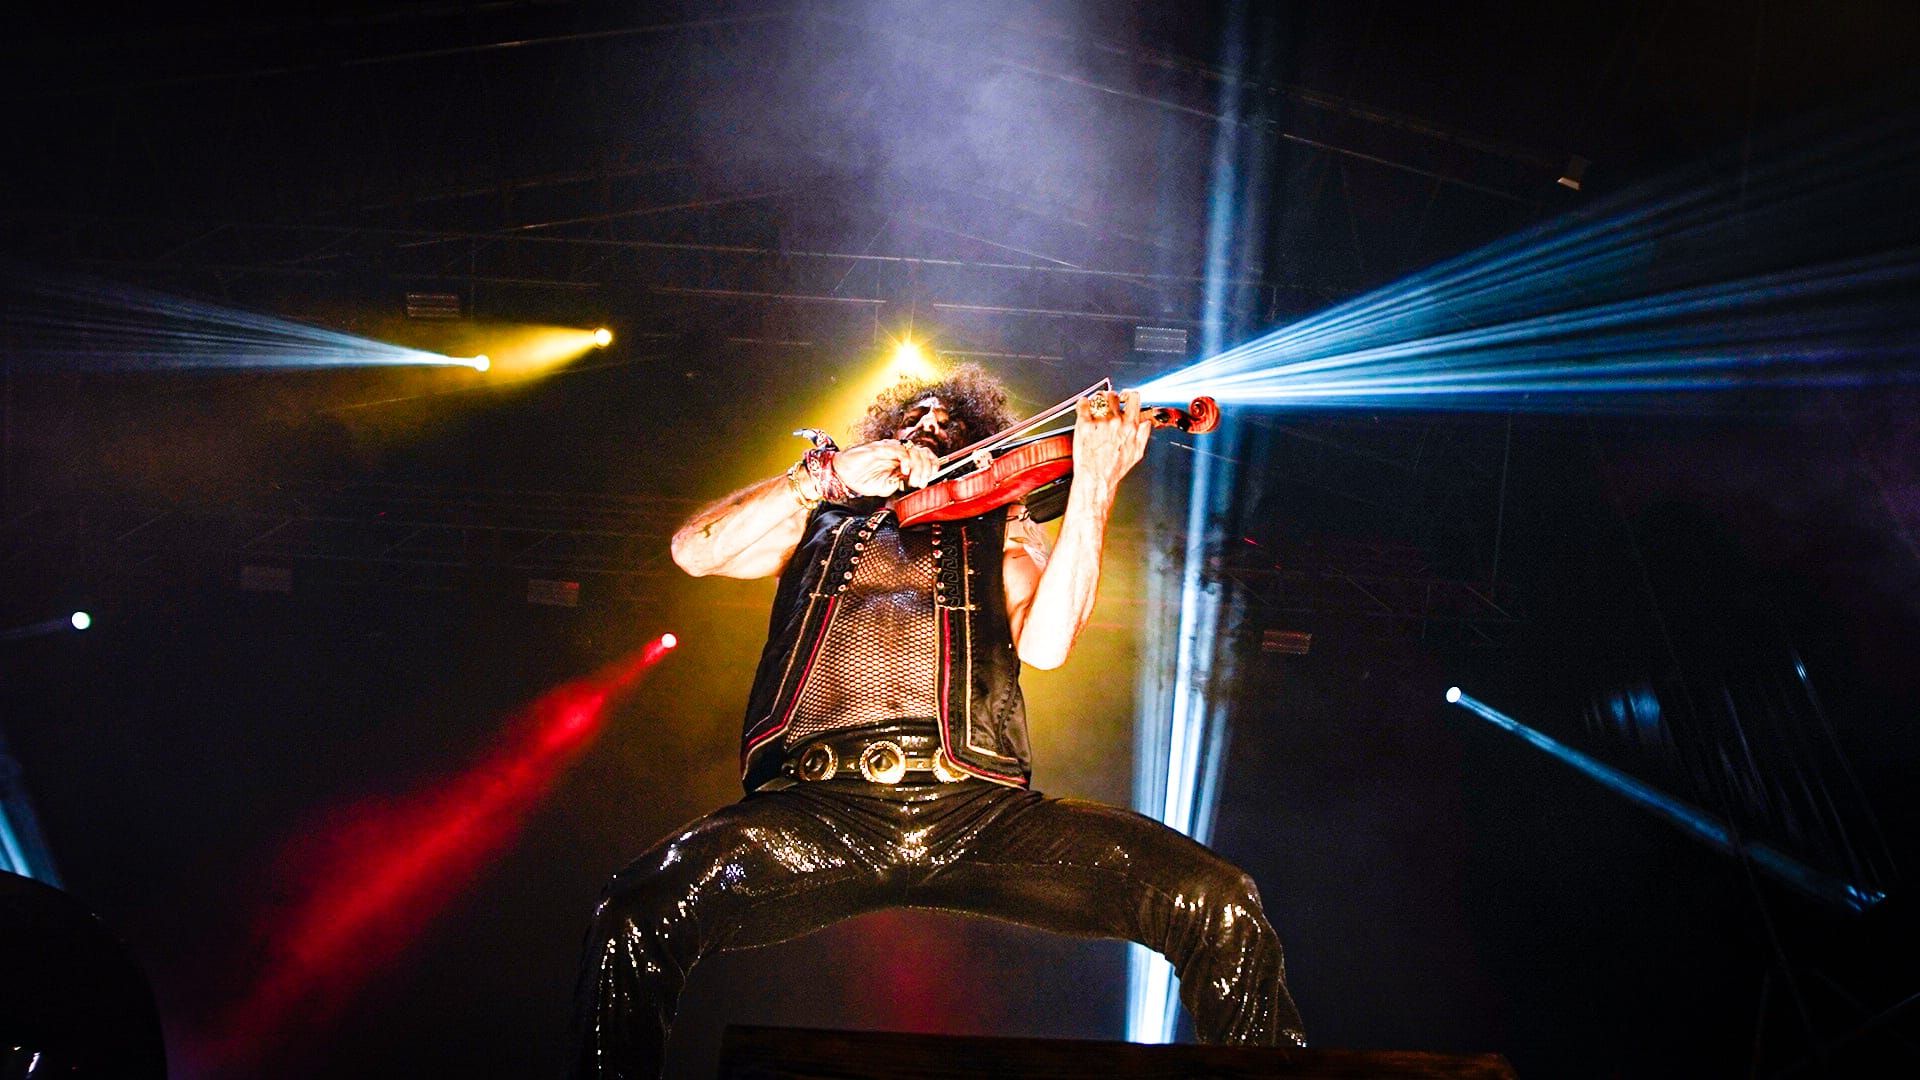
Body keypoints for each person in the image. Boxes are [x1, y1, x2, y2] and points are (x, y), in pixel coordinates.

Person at [570, 365, 1303, 1078]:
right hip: (817, 810)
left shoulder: (1003, 524)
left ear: (979, 443)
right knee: (633, 910)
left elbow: (1046, 645)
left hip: (976, 810)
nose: (929, 424)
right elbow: (694, 551)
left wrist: (1098, 486)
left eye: (949, 421)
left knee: (1218, 899)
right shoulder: (819, 518)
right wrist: (819, 478)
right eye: (914, 415)